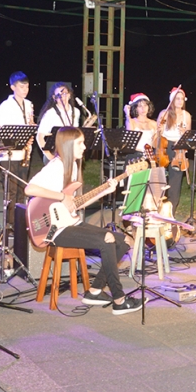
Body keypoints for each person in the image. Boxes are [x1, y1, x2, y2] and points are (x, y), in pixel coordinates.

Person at [24, 127, 142, 314]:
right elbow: (30, 189)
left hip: (69, 222)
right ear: (68, 145)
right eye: (80, 143)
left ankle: (95, 291)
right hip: (55, 230)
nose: (84, 147)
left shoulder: (72, 167)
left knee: (124, 241)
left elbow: (75, 204)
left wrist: (105, 191)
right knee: (107, 239)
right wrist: (61, 196)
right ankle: (119, 299)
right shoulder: (56, 166)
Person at [0, 71, 35, 230]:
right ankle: (10, 224)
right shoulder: (6, 105)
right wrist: (9, 141)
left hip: (24, 153)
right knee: (11, 191)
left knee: (22, 189)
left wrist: (31, 131)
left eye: (27, 86)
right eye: (22, 87)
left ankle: (19, 222)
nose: (25, 90)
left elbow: (30, 123)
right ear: (12, 87)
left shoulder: (29, 104)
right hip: (8, 154)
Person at [156, 86, 192, 211]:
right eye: (177, 98)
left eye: (182, 99)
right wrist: (159, 130)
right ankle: (158, 207)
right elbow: (157, 134)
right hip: (165, 147)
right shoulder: (164, 113)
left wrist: (185, 133)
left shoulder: (186, 115)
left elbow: (188, 136)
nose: (180, 101)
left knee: (175, 181)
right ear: (172, 100)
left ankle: (171, 210)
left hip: (179, 149)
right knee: (160, 178)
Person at [36, 83, 87, 161]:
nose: (62, 97)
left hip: (71, 152)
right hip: (55, 152)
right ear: (54, 98)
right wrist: (49, 155)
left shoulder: (76, 111)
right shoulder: (50, 113)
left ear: (69, 95)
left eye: (65, 93)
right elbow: (39, 136)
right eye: (58, 95)